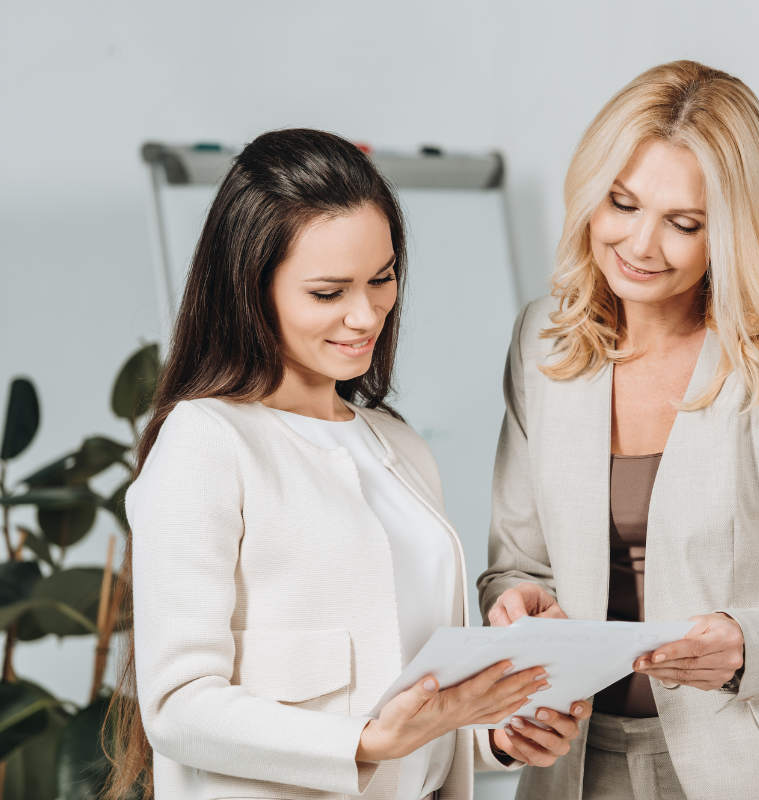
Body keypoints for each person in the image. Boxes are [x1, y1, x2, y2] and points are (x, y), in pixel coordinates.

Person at [103, 128, 589, 800]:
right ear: (251, 289)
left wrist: (498, 734)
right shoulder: (206, 444)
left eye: (382, 278)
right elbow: (180, 709)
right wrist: (365, 742)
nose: (366, 315)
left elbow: (409, 699)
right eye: (328, 293)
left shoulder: (398, 445)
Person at [479, 61, 759, 800]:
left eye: (683, 224)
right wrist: (516, 606)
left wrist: (744, 644)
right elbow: (517, 568)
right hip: (574, 765)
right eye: (622, 204)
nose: (640, 244)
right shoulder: (543, 341)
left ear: (729, 230)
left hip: (757, 770)